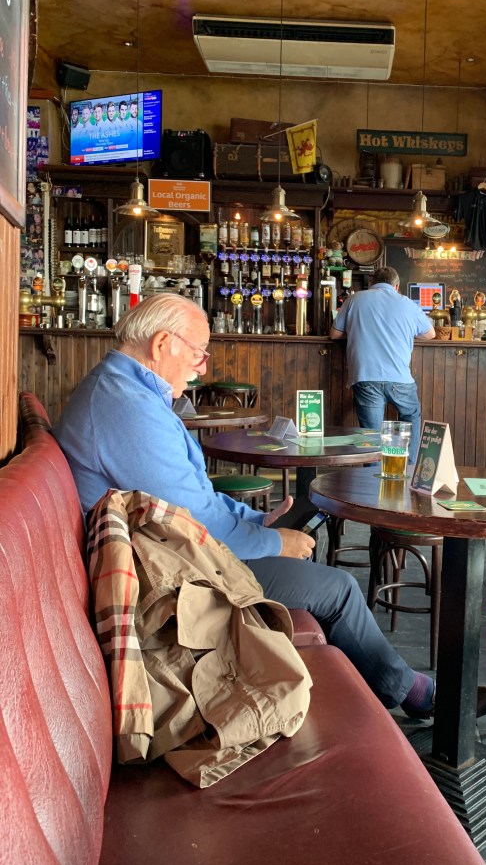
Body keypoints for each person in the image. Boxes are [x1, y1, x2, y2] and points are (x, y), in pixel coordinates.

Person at [54, 294, 435, 718]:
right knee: (339, 590)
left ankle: (348, 698)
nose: (203, 368)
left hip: (171, 553)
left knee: (310, 561)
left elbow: (192, 499)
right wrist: (274, 541)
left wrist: (257, 519)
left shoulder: (122, 391)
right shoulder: (128, 409)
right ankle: (409, 693)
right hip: (171, 580)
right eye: (199, 353)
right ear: (162, 344)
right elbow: (194, 522)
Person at [330, 266, 435, 462]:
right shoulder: (408, 303)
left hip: (366, 376)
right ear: (397, 286)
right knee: (411, 417)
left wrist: (356, 331)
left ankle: (370, 476)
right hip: (400, 379)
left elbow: (334, 334)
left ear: (371, 283)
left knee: (371, 434)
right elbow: (430, 334)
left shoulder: (354, 299)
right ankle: (410, 467)